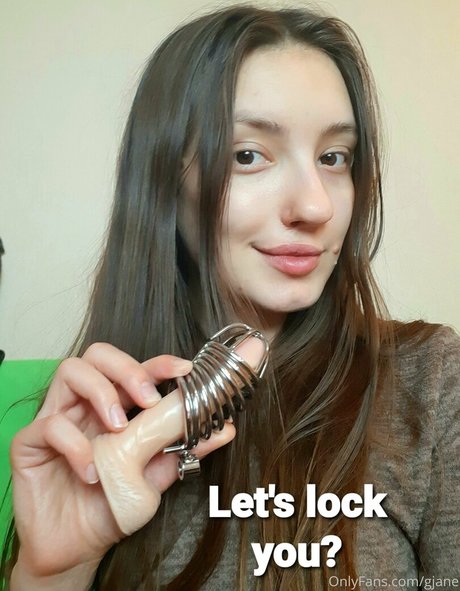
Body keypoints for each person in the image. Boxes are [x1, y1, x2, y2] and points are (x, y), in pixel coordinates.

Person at [2, 4, 459, 590]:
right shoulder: (87, 426)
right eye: (248, 155)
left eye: (333, 157)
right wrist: (53, 571)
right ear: (166, 183)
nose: (316, 206)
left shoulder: (431, 382)